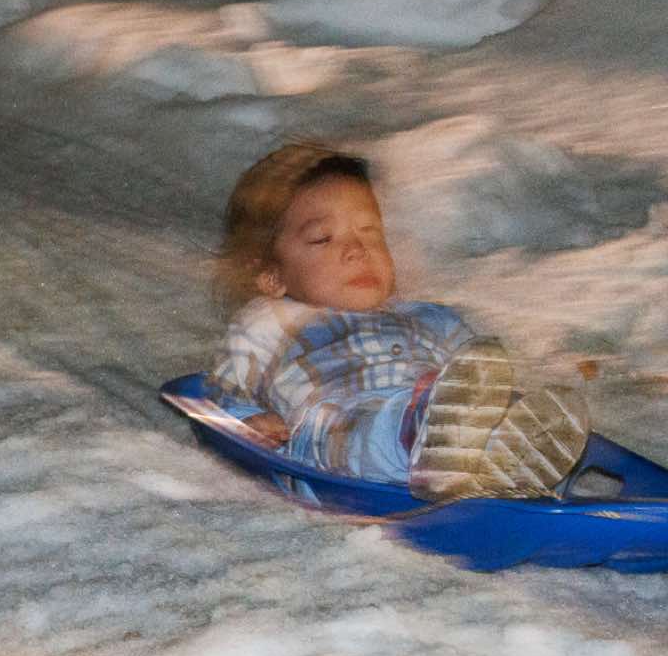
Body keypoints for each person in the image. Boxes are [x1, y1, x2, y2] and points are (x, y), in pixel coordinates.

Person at [207, 143, 587, 500]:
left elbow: (481, 379)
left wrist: (507, 401)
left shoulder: (429, 318)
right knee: (360, 427)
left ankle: (511, 465)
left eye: (370, 231)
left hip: (439, 412)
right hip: (336, 436)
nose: (357, 249)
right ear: (272, 276)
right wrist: (248, 422)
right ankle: (427, 437)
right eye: (323, 238)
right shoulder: (269, 324)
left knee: (503, 409)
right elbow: (223, 392)